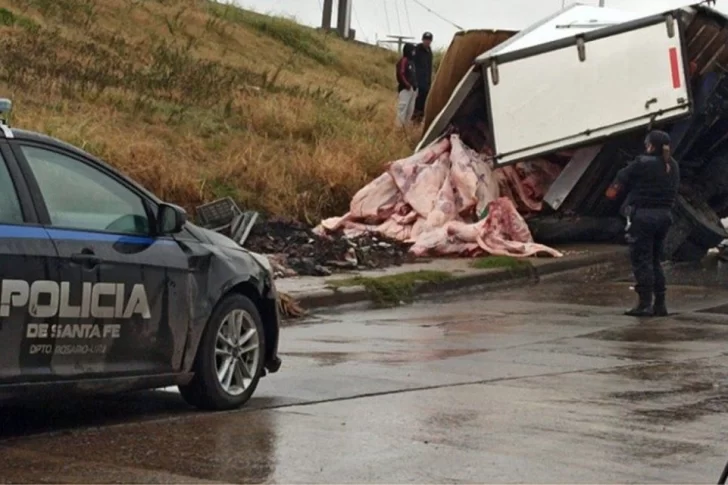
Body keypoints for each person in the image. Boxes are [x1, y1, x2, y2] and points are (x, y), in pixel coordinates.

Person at [605, 130, 680, 317]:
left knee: (642, 260)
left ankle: (644, 304)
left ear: (650, 145)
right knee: (655, 260)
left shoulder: (642, 163)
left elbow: (618, 182)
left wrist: (612, 194)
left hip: (644, 217)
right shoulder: (673, 165)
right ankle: (660, 304)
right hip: (665, 217)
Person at [413, 32, 434, 123]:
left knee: (424, 102)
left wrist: (429, 81)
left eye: (429, 40)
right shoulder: (417, 49)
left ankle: (419, 119)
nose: (427, 42)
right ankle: (414, 118)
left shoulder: (429, 51)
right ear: (423, 40)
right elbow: (412, 64)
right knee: (416, 101)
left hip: (426, 81)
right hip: (417, 80)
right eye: (426, 40)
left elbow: (429, 67)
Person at [396, 43, 418, 127]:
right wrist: (407, 84)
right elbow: (401, 74)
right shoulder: (404, 60)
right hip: (405, 89)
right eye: (413, 50)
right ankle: (399, 128)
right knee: (402, 109)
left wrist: (416, 88)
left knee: (410, 110)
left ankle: (406, 129)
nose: (414, 52)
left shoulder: (411, 62)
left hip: (413, 90)